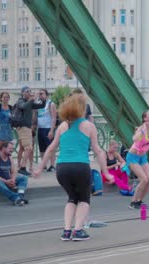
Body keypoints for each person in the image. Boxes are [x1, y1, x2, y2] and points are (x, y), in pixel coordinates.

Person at [33, 93, 113, 241]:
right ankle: (78, 231)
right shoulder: (89, 126)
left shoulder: (62, 126)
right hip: (80, 166)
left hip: (62, 168)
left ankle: (66, 231)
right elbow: (98, 151)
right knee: (84, 198)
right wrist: (106, 172)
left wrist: (40, 168)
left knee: (71, 198)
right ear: (82, 109)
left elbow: (51, 149)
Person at [15, 86, 46, 176]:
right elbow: (24, 107)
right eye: (27, 91)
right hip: (23, 127)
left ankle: (22, 167)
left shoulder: (28, 102)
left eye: (30, 91)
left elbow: (41, 106)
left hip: (27, 128)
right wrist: (32, 99)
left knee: (26, 148)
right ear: (22, 93)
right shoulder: (20, 101)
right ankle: (22, 167)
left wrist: (42, 99)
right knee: (28, 148)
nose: (29, 93)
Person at [0, 141, 28, 206]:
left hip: (7, 180)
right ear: (3, 148)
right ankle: (15, 198)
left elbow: (14, 171)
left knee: (23, 177)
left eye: (12, 149)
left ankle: (20, 196)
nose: (12, 151)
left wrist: (12, 180)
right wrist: (6, 182)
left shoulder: (10, 158)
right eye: (10, 149)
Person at [37, 89, 57, 172]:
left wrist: (52, 130)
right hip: (40, 128)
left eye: (42, 94)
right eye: (39, 94)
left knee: (50, 147)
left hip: (48, 128)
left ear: (46, 95)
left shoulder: (50, 104)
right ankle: (44, 164)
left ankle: (52, 165)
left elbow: (54, 117)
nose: (40, 95)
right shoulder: (38, 104)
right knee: (42, 148)